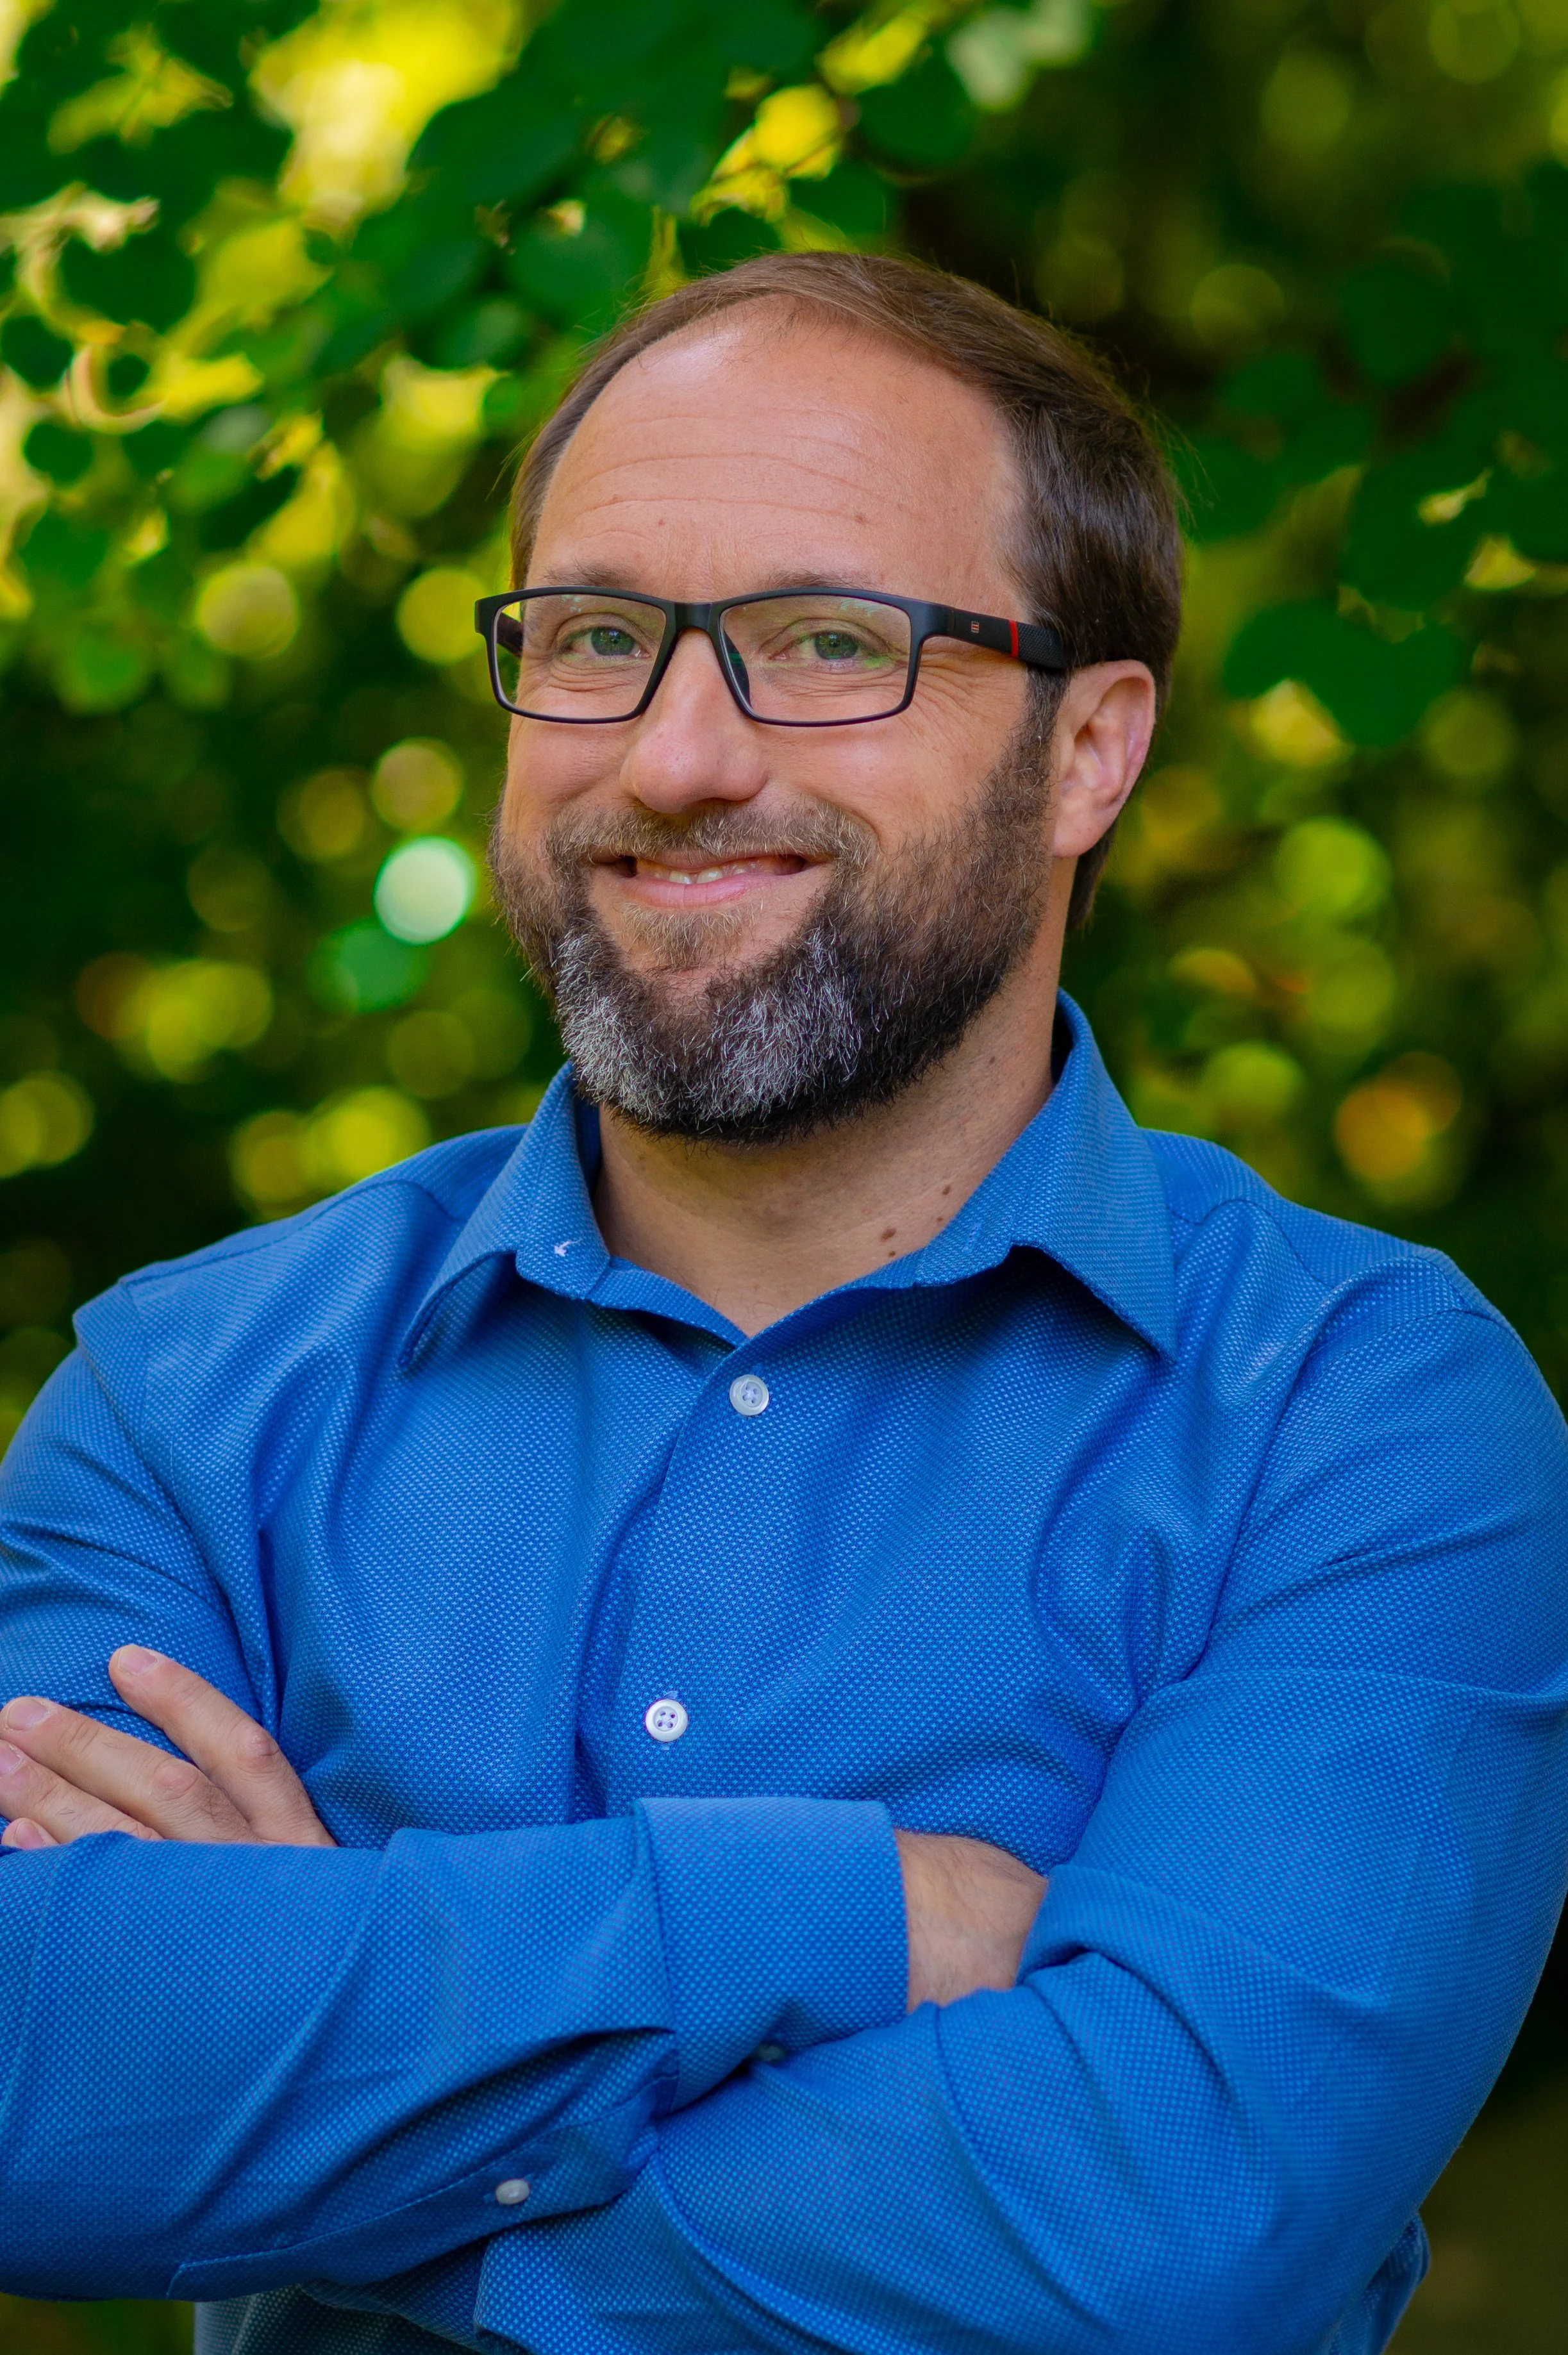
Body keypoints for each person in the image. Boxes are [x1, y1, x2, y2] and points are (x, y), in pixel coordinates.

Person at [1, 251, 1565, 2355]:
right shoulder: (191, 1399)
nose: (674, 755)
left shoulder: (1360, 1412)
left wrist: (323, 2064)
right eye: (596, 640)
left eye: (830, 642)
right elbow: (33, 2092)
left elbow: (1157, 2232)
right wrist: (838, 1920)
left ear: (1090, 750)